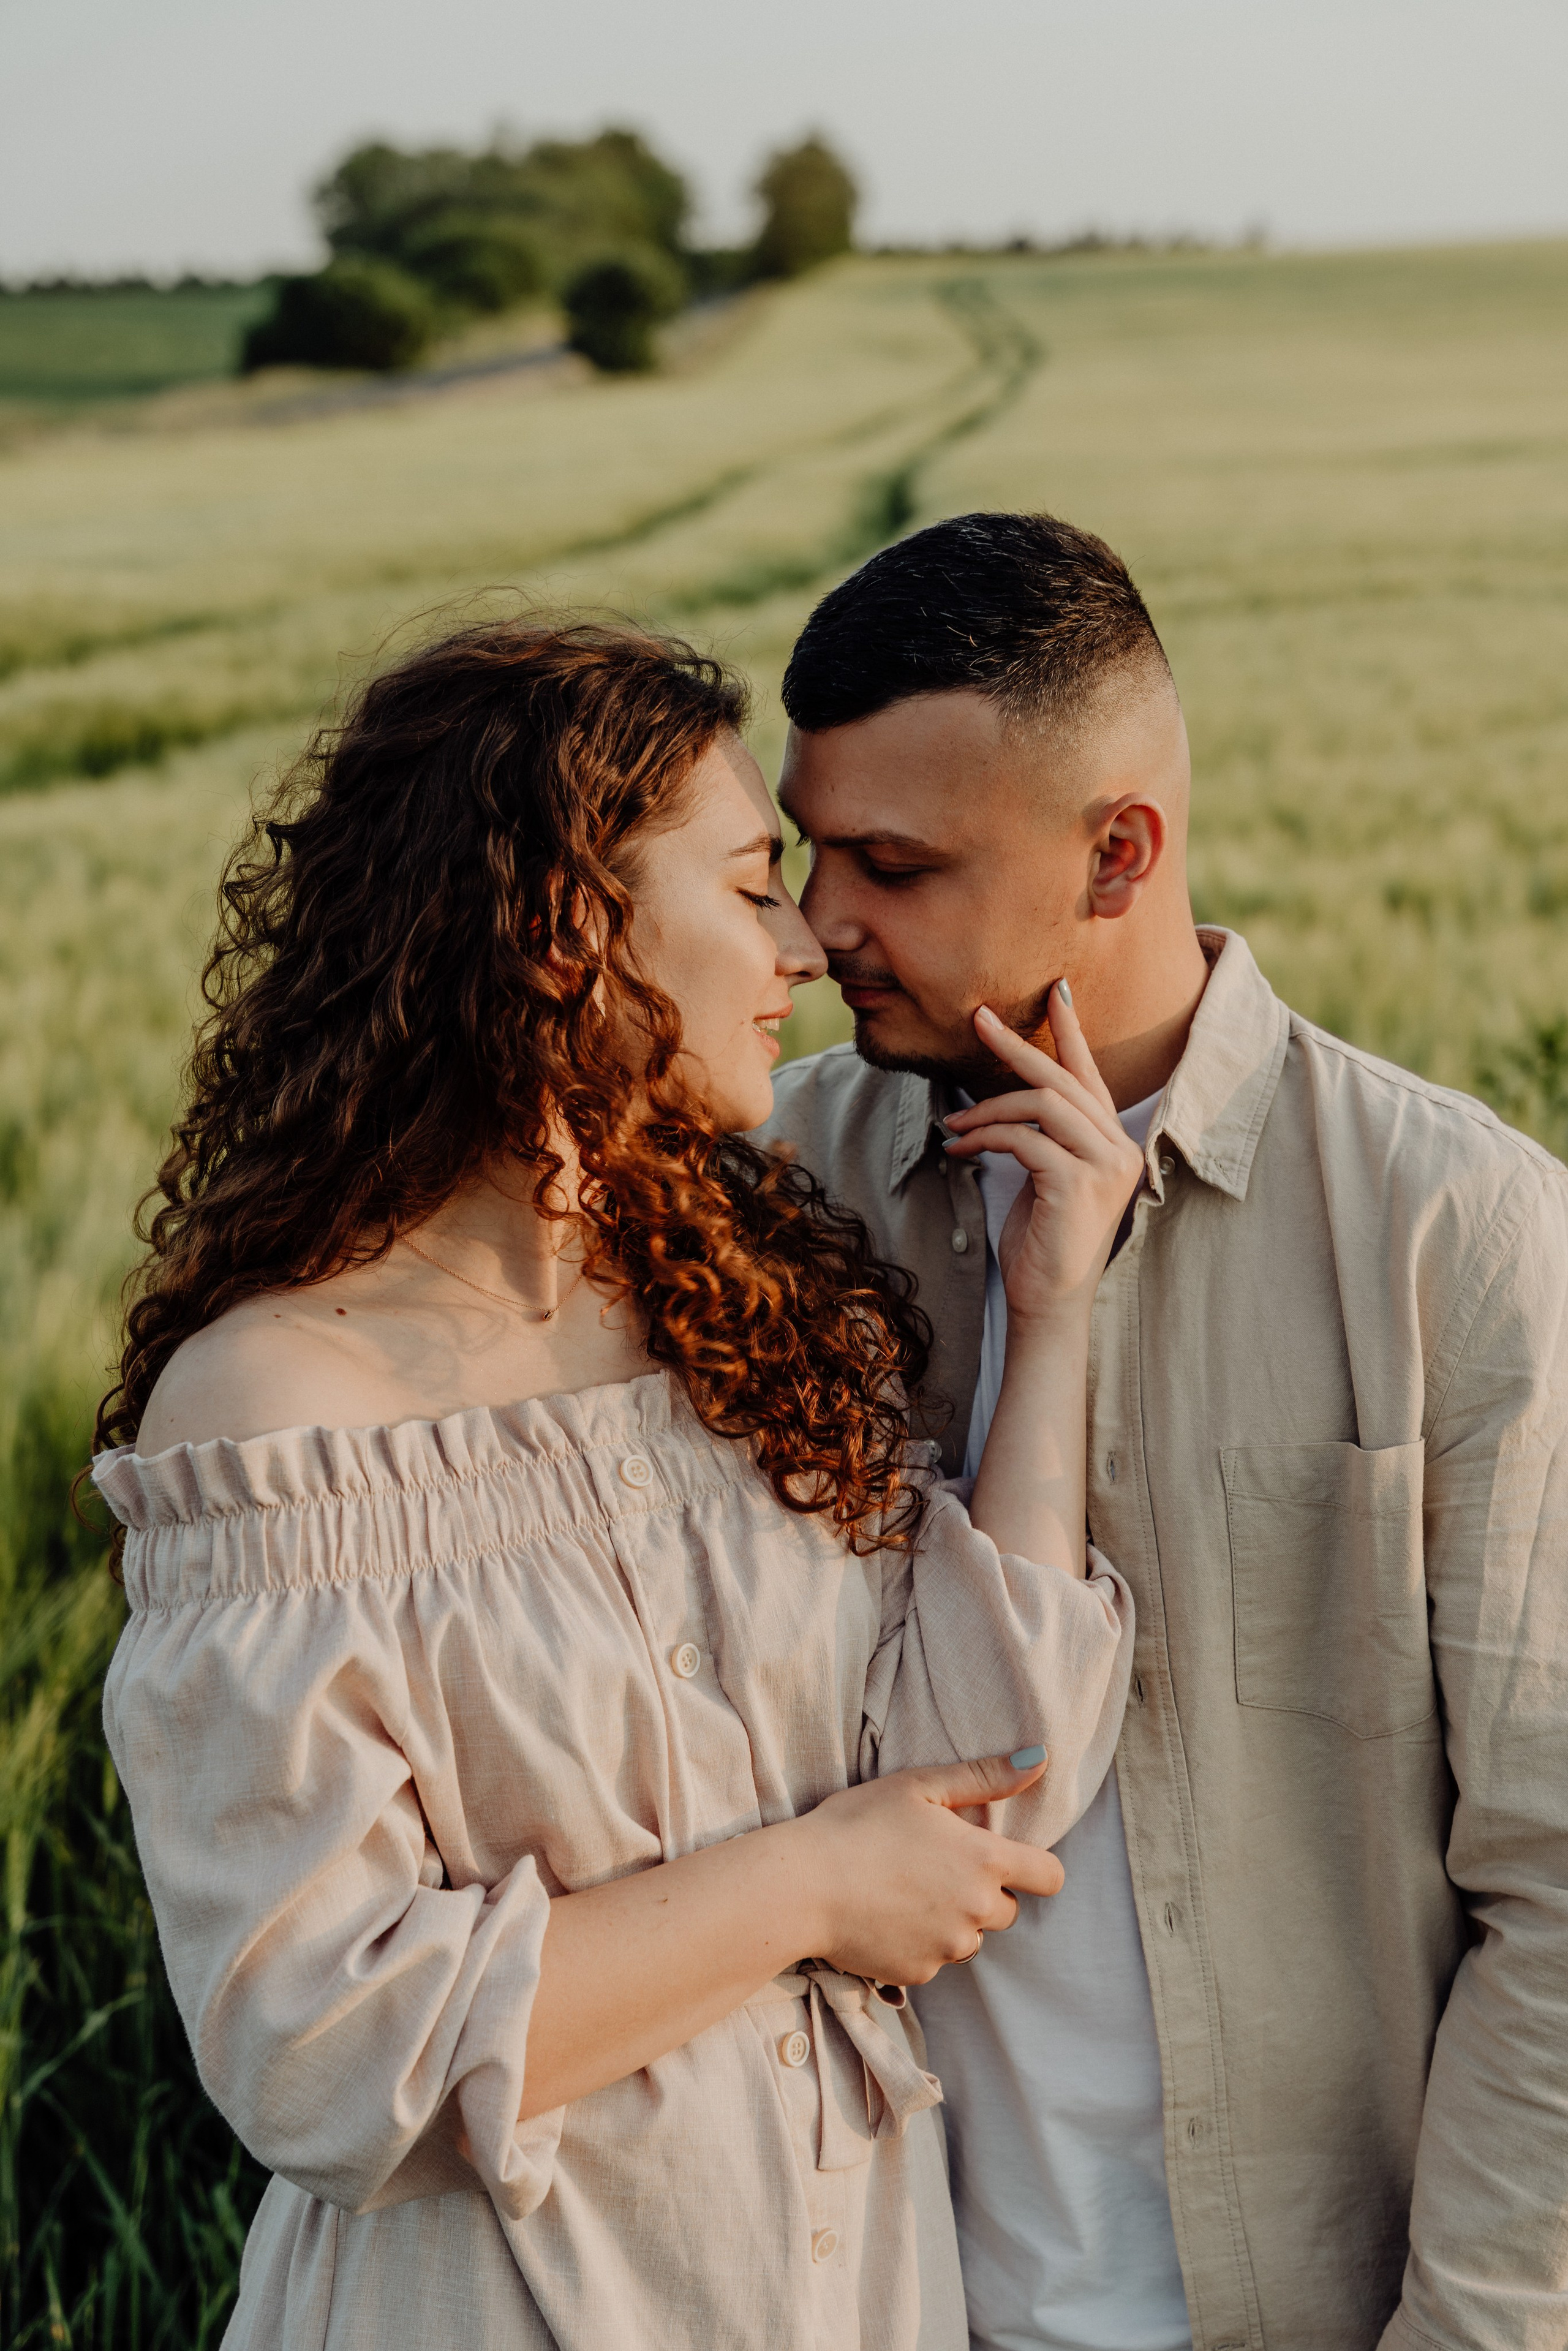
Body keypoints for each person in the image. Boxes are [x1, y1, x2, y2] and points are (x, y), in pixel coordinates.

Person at [92, 621, 1142, 2351]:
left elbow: (989, 1800)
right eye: (749, 889)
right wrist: (805, 1890)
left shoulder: (748, 1304)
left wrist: (1054, 1309)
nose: (804, 945)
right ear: (567, 922)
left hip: (854, 2297)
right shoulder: (281, 1407)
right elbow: (317, 2050)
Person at [759, 511, 1568, 2351]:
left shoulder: (1459, 1234)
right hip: (863, 2299)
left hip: (1305, 2307)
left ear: (1119, 851)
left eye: (892, 862)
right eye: (810, 853)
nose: (819, 927)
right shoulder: (769, 1198)